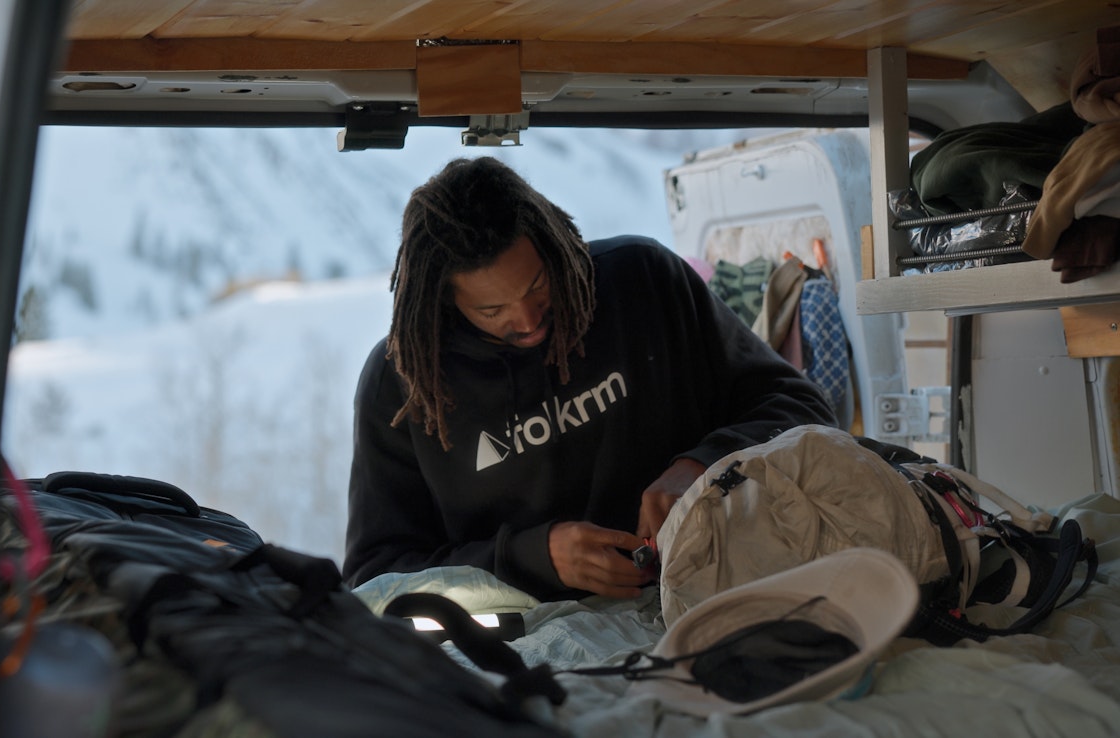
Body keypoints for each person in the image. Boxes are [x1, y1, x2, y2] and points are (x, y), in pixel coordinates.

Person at [342, 156, 835, 601]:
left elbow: (800, 407)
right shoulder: (404, 385)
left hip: (720, 584)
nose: (529, 321)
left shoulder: (643, 281)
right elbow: (376, 578)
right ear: (444, 304)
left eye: (539, 285)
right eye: (491, 311)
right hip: (533, 642)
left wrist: (703, 466)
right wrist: (533, 558)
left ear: (557, 246)